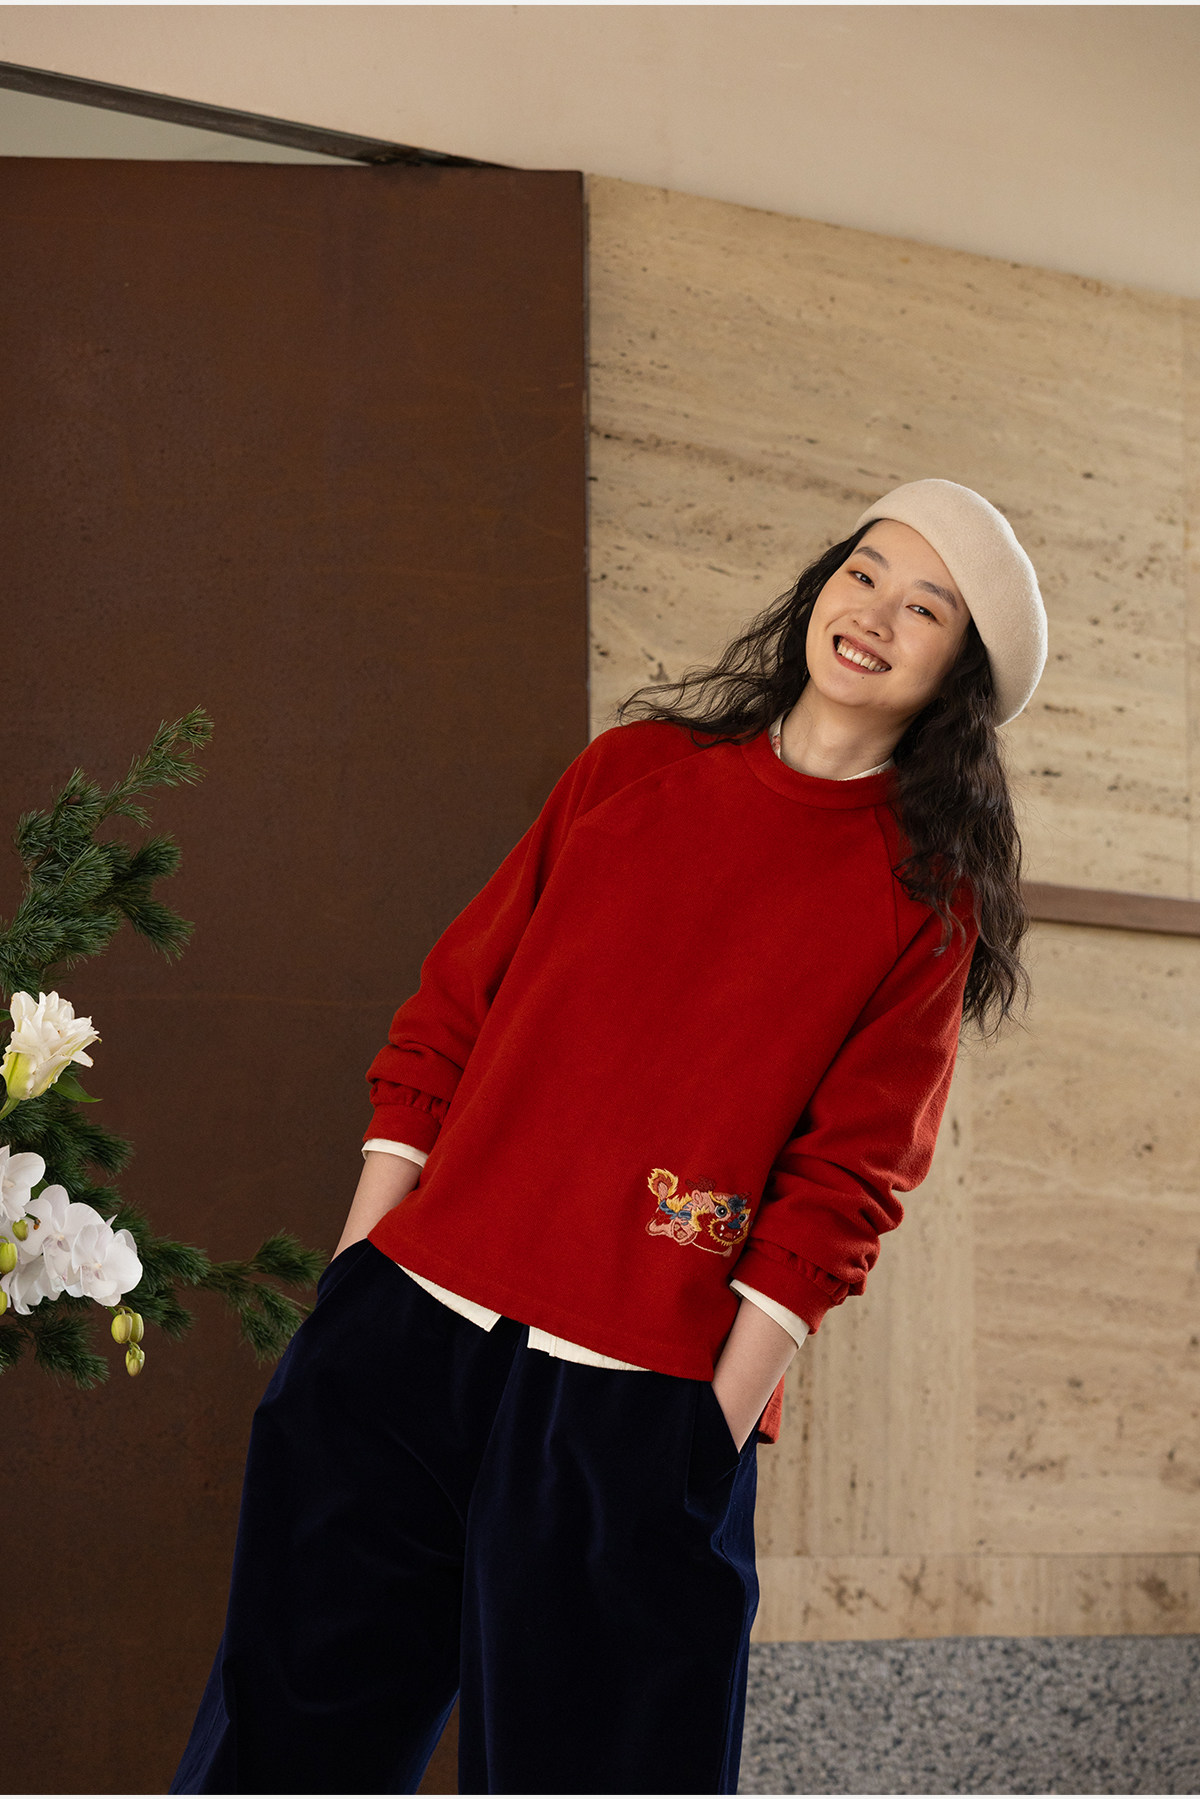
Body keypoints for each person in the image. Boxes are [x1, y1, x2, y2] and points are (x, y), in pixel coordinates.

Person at [171, 477, 1047, 1796]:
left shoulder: (924, 902)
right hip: (410, 1333)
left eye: (925, 609)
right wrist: (359, 1277)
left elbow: (848, 1183)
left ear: (958, 677)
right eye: (864, 572)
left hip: (634, 1403)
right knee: (280, 1761)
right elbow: (450, 1011)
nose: (874, 615)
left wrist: (707, 1428)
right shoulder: (632, 774)